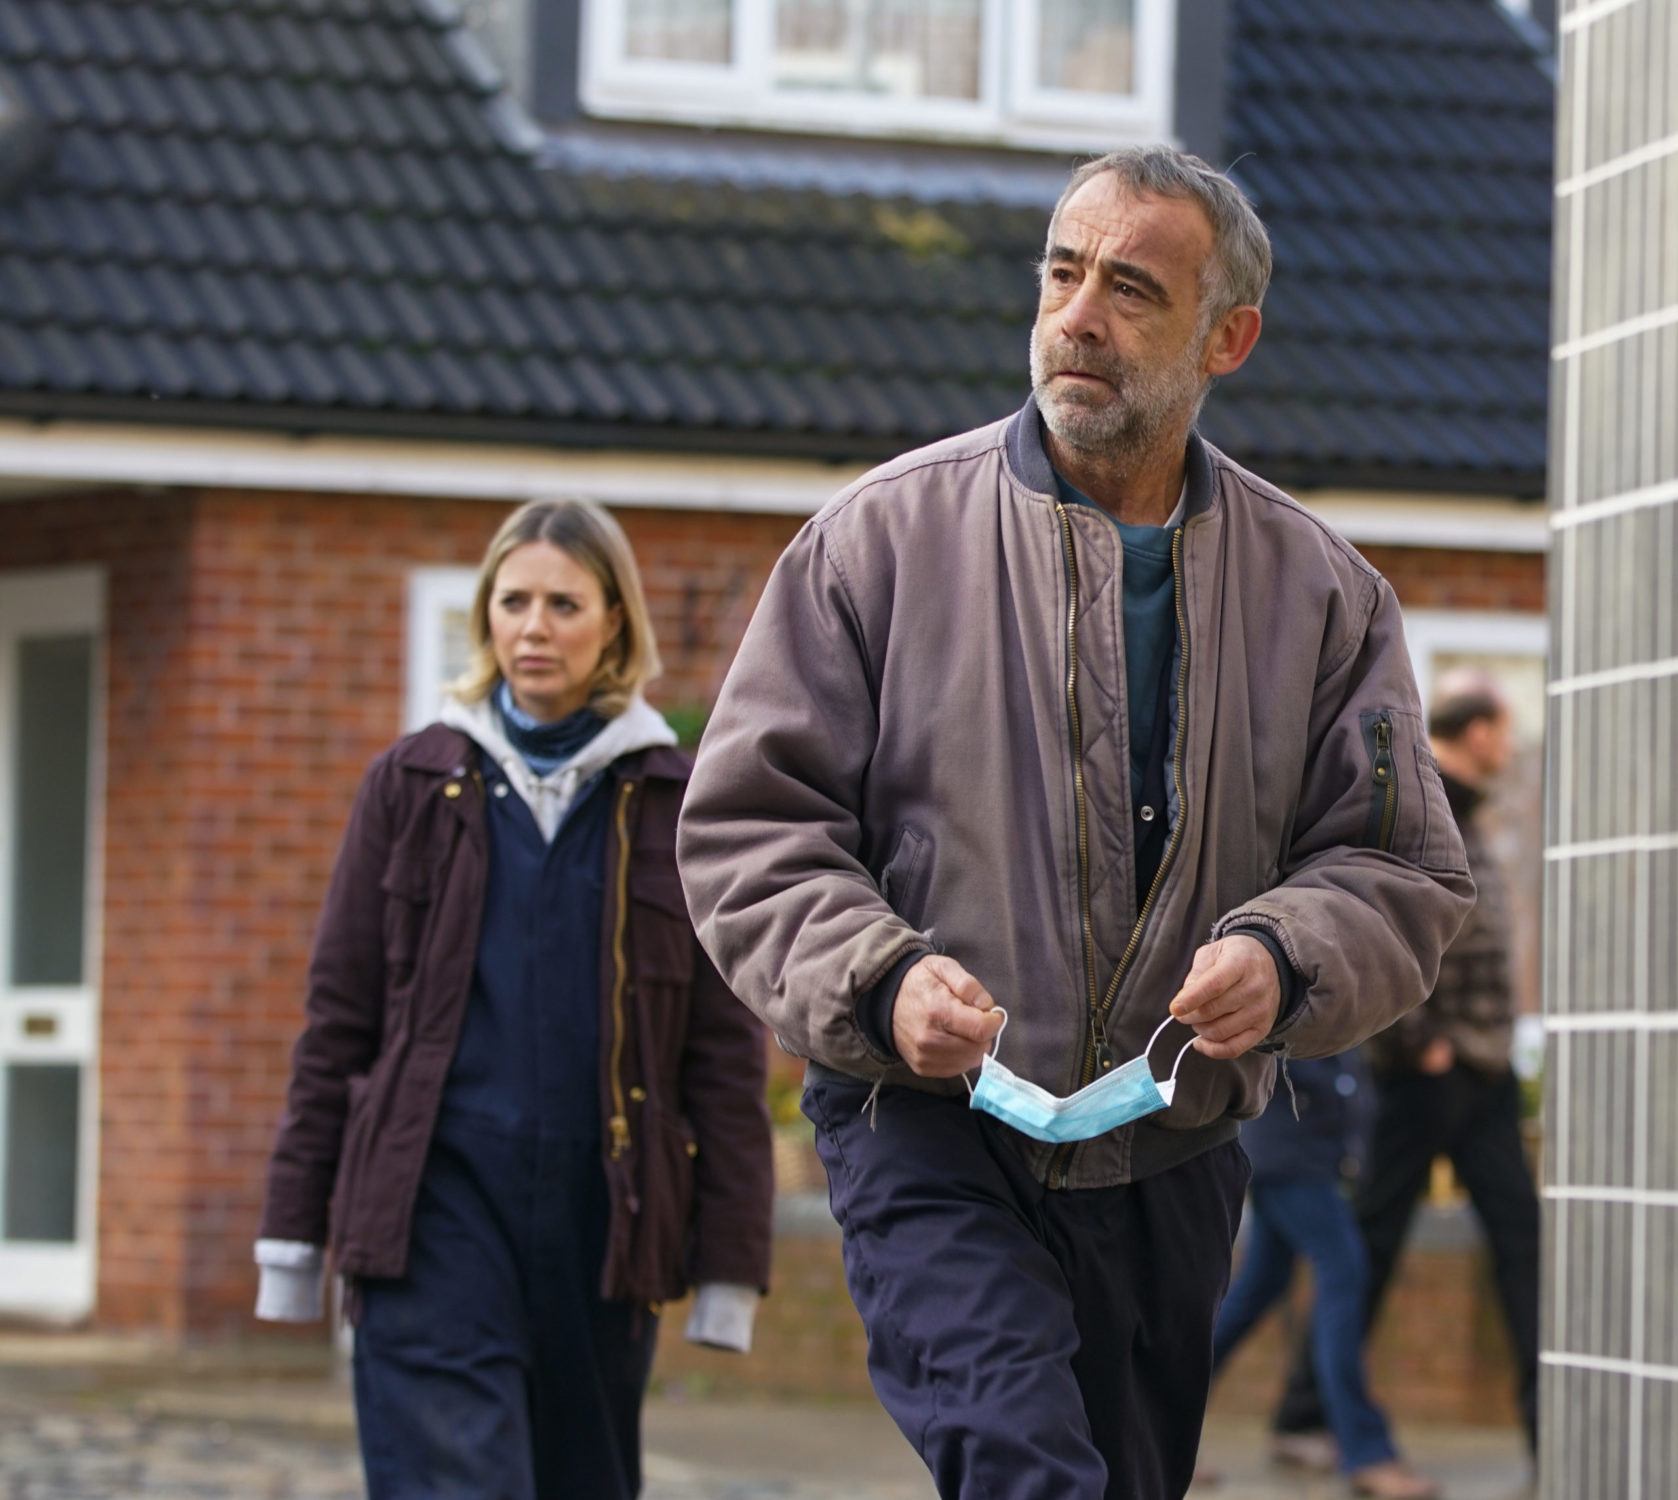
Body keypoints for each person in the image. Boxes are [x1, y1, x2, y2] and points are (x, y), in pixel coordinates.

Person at [676, 144, 1473, 1500]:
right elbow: (751, 830)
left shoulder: (1323, 594)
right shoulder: (875, 543)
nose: (1077, 317)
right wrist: (879, 974)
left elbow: (1400, 865)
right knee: (1026, 1468)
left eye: (1130, 289)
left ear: (1228, 336)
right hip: (923, 1118)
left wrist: (1283, 956)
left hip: (1170, 1148)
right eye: (1060, 273)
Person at [254, 498, 775, 1500]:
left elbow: (718, 1053)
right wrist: (292, 1233)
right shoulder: (410, 788)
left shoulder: (674, 802)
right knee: (459, 1478)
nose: (534, 626)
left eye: (564, 604)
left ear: (614, 621)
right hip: (429, 1207)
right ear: (487, 617)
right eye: (513, 601)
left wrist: (727, 1265)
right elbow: (339, 1022)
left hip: (605, 1224)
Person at [1271, 668, 1540, 1461]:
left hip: (1479, 1068)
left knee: (1512, 1239)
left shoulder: (1471, 809)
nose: (1508, 744)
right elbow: (1400, 919)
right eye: (1502, 727)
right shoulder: (1431, 809)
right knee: (1375, 1239)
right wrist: (1419, 1041)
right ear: (1480, 732)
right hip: (1436, 1068)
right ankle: (1304, 1413)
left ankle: (1547, 1426)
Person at [1206, 1050, 1439, 1498]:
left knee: (1260, 1286)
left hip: (1297, 1153)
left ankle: (1158, 1415)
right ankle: (1366, 1451)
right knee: (1344, 1273)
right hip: (1291, 1156)